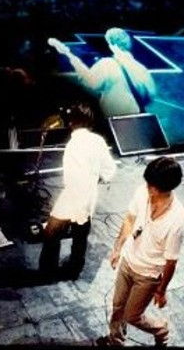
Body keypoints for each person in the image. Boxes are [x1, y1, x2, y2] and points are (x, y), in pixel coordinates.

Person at [98, 156, 184, 346]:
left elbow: (171, 261)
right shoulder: (143, 192)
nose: (147, 189)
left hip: (147, 275)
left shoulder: (177, 219)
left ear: (166, 187)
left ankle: (161, 330)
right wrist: (118, 247)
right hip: (128, 262)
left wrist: (161, 291)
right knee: (117, 306)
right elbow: (130, 219)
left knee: (132, 315)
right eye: (148, 183)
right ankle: (115, 341)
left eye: (152, 186)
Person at [39, 103, 117, 279]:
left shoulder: (74, 144)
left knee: (51, 231)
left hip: (74, 195)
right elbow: (110, 170)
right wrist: (96, 179)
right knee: (80, 233)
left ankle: (47, 272)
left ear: (72, 122)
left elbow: (71, 178)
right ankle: (75, 268)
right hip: (89, 196)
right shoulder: (98, 141)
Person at [49, 28, 156, 117]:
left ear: (112, 45)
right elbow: (151, 95)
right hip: (138, 118)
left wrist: (73, 59)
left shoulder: (108, 64)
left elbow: (90, 83)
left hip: (115, 121)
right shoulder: (141, 68)